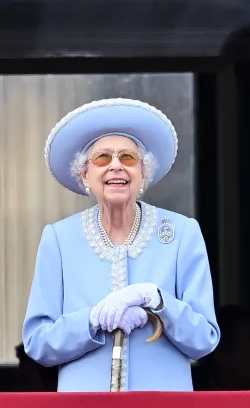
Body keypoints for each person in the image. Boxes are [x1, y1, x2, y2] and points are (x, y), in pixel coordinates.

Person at [22, 98, 220, 391]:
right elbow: (38, 342)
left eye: (128, 158)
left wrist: (158, 300)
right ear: (85, 176)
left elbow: (204, 340)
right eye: (102, 158)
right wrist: (91, 320)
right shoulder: (59, 239)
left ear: (143, 174)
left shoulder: (182, 233)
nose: (116, 166)